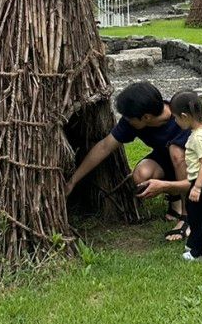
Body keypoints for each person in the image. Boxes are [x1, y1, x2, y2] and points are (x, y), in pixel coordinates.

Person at [64, 81, 190, 241]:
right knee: (141, 175)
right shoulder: (135, 121)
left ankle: (187, 216)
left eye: (129, 118)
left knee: (177, 153)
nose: (126, 121)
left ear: (146, 117)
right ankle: (175, 199)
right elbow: (104, 147)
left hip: (196, 164)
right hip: (167, 160)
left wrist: (187, 215)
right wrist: (73, 181)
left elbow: (191, 156)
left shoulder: (181, 119)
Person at [139, 90, 202, 261]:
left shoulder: (197, 138)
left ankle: (201, 253)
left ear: (185, 116)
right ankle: (194, 244)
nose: (175, 122)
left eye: (176, 118)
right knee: (199, 214)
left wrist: (197, 187)